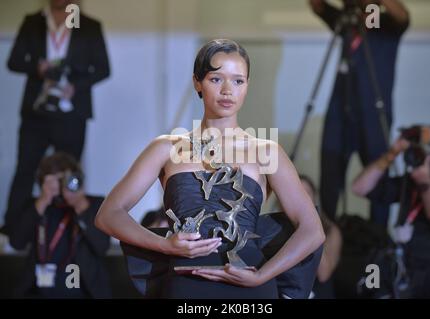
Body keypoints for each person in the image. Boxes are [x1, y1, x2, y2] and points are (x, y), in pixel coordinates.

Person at [95, 39, 325, 299]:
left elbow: (312, 230)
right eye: (216, 79)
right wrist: (164, 245)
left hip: (249, 282)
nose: (228, 90)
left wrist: (262, 275)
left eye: (238, 81)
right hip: (186, 281)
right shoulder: (166, 148)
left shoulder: (266, 151)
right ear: (197, 82)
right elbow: (108, 215)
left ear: (247, 85)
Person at [2, 0, 110, 236]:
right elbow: (14, 61)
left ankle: (68, 231)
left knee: (70, 174)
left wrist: (76, 86)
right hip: (36, 112)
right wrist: (37, 68)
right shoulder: (33, 23)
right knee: (25, 170)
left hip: (72, 112)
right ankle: (13, 231)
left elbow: (103, 68)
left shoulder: (89, 26)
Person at [309, 0, 410, 226]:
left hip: (373, 117)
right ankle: (328, 243)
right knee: (330, 181)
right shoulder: (347, 21)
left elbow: (403, 15)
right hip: (339, 115)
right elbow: (317, 6)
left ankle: (378, 244)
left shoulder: (386, 24)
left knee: (379, 182)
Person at [352, 126, 430, 298]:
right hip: (403, 270)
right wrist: (392, 153)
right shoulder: (410, 182)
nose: (428, 152)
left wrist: (425, 184)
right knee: (369, 279)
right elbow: (359, 188)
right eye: (426, 146)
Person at [9, 152, 111, 298]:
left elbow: (102, 246)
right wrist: (43, 200)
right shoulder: (36, 206)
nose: (61, 184)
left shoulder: (93, 204)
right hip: (38, 291)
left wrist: (79, 205)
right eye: (55, 179)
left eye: (65, 179)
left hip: (82, 291)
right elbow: (16, 243)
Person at [299, 175, 342, 299]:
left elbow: (324, 274)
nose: (300, 200)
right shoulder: (274, 227)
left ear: (314, 199)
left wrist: (308, 225)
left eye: (305, 194)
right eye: (297, 193)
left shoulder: (331, 231)